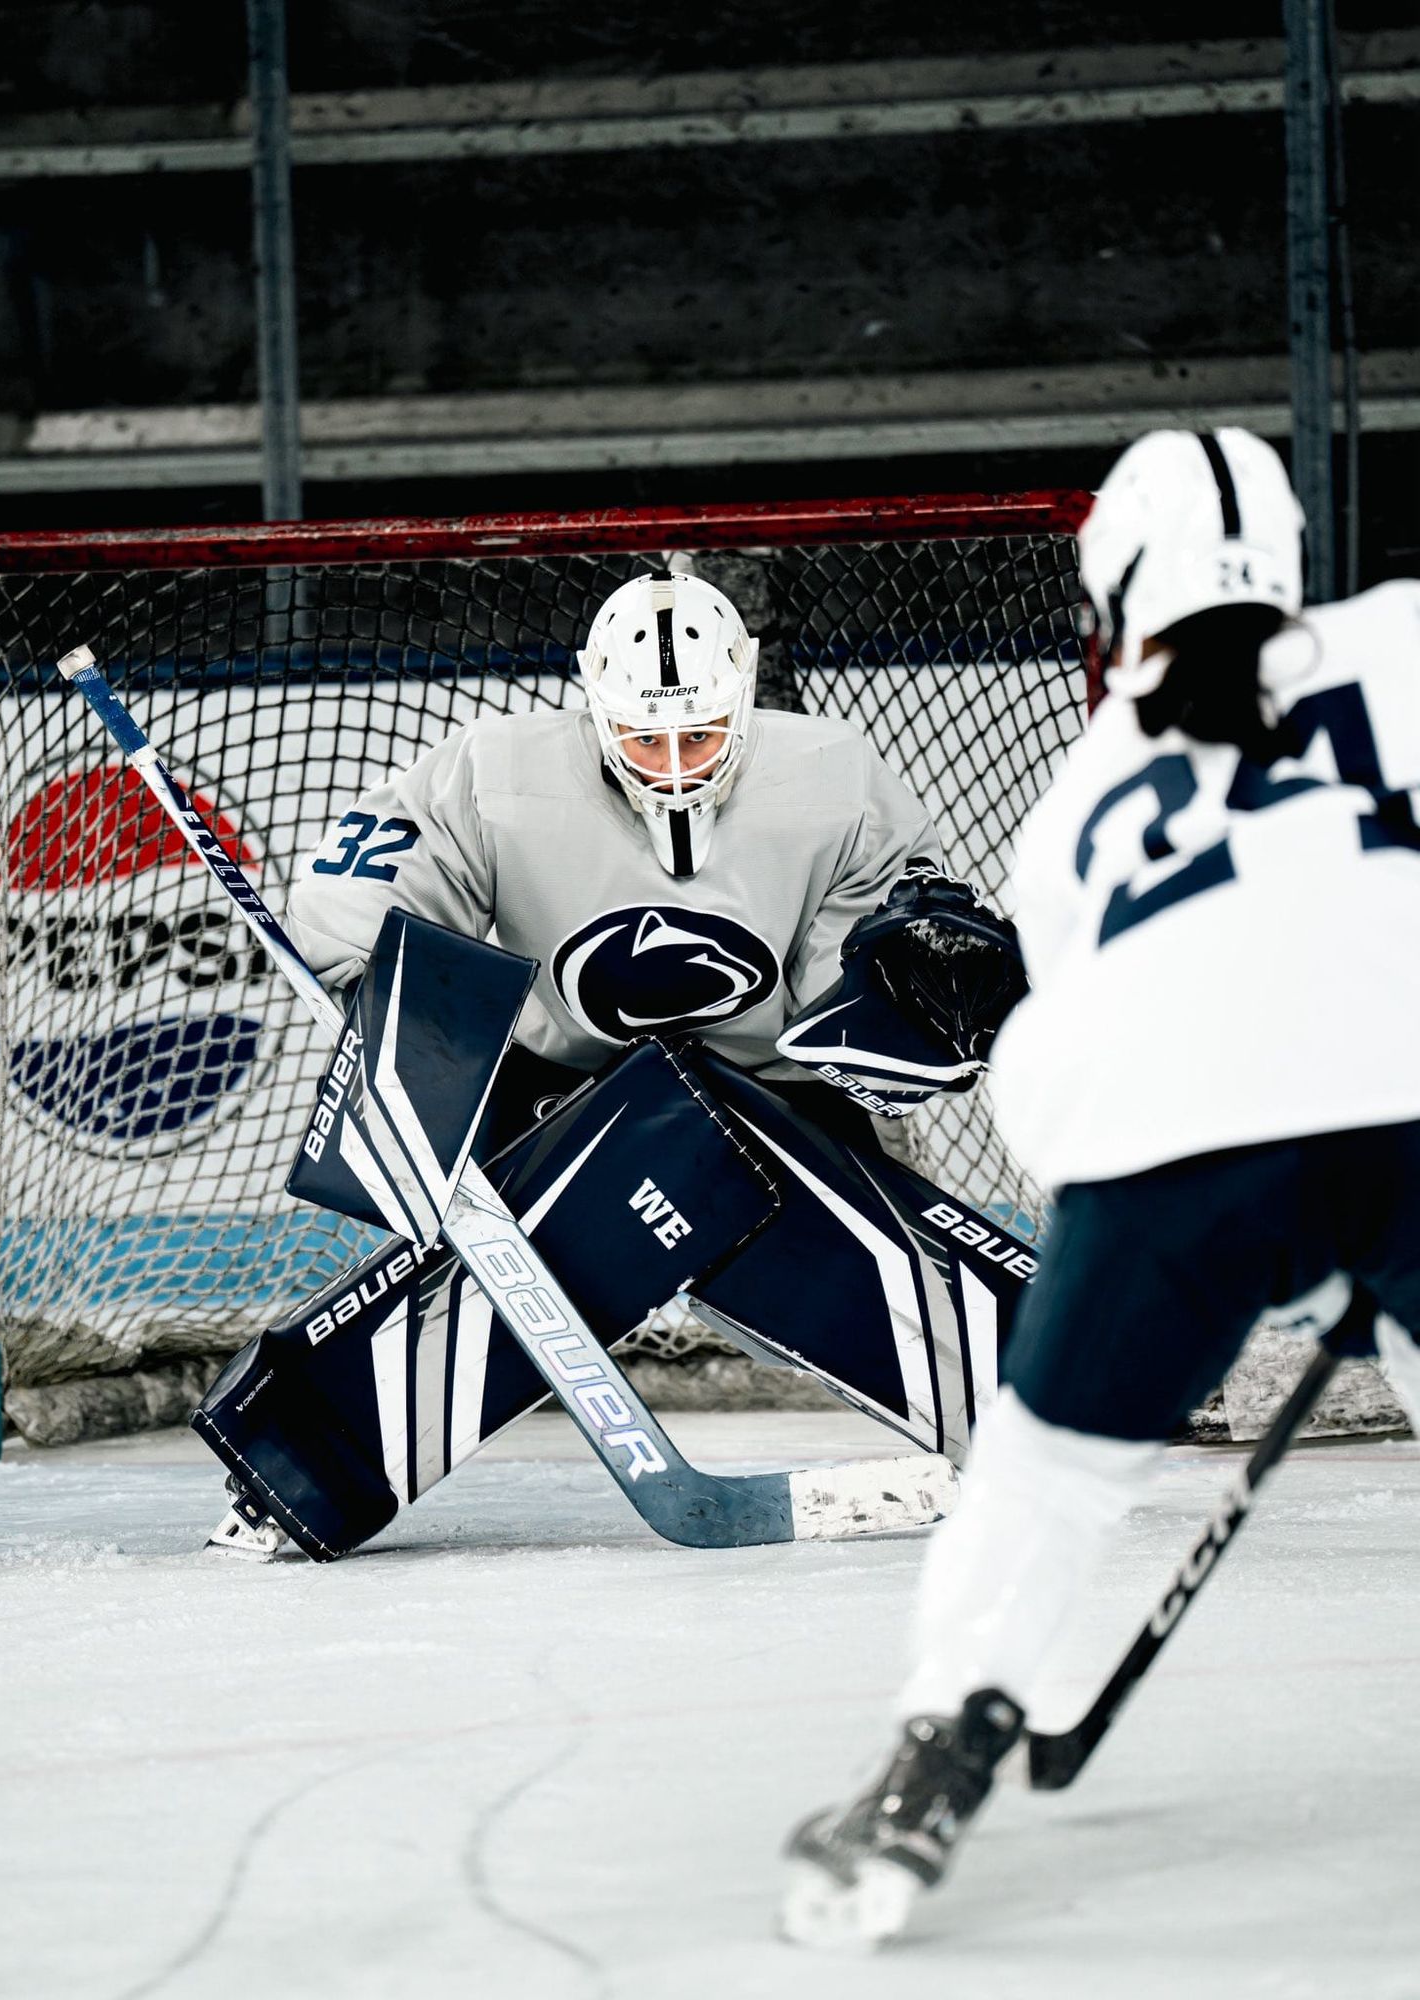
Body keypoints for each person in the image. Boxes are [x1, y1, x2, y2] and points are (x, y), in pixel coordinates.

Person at [779, 426, 1420, 1949]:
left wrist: (1258, 1231)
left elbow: (1083, 1069)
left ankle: (933, 1761)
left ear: (1116, 598)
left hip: (1167, 1137)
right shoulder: (1402, 640)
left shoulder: (1077, 804)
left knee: (1048, 1478)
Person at [287, 568, 953, 1145]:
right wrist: (390, 996)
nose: (673, 769)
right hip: (561, 1085)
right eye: (645, 739)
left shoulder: (837, 776)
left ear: (742, 699)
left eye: (698, 736)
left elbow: (849, 980)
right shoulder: (495, 770)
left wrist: (899, 1003)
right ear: (601, 710)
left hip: (775, 1088)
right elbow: (357, 894)